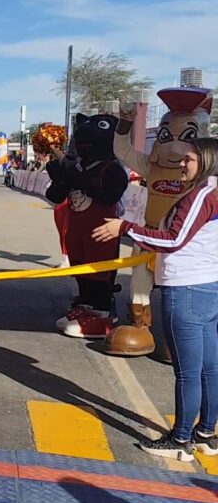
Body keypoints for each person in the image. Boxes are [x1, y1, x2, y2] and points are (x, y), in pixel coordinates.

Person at [92, 137, 218, 462]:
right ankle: (205, 433)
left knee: (189, 372)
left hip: (186, 288)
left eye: (189, 159)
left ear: (206, 160)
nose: (181, 164)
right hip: (207, 286)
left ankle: (180, 440)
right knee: (209, 369)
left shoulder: (203, 193)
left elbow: (174, 239)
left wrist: (126, 227)